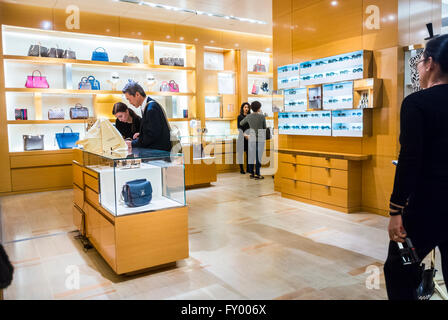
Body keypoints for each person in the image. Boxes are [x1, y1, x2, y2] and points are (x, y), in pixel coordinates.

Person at [384, 34, 448, 300]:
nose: (419, 68)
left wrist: (395, 209)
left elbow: (410, 159)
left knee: (398, 271)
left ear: (430, 63)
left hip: (425, 206)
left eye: (420, 61)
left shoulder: (416, 103)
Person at [122, 81, 171, 151]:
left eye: (129, 99)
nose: (130, 103)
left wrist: (132, 144)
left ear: (137, 94)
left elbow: (152, 136)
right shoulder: (148, 106)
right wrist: (141, 134)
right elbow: (153, 130)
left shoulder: (151, 108)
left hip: (159, 155)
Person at [239, 101, 266, 180]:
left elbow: (241, 123)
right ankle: (258, 173)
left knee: (251, 156)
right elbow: (264, 127)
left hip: (252, 138)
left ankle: (251, 173)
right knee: (258, 157)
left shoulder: (249, 116)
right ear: (259, 108)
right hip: (260, 138)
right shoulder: (262, 117)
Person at [237, 102, 251, 174]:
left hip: (249, 137)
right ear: (242, 108)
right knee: (241, 154)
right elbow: (239, 127)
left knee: (249, 154)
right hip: (241, 137)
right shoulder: (239, 117)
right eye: (245, 107)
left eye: (248, 107)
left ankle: (249, 169)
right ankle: (241, 169)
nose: (246, 109)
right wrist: (244, 135)